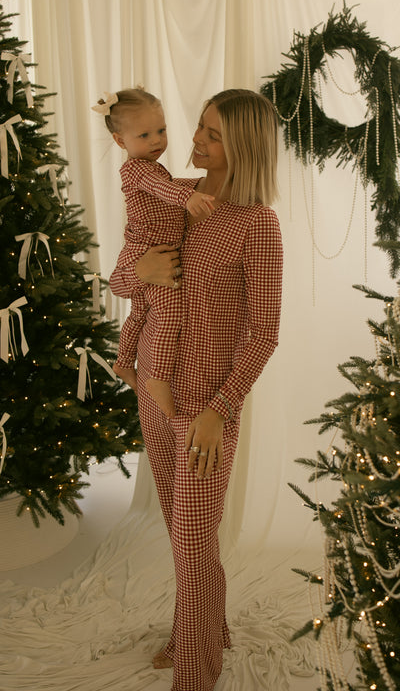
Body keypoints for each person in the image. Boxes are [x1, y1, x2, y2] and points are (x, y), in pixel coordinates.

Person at [109, 88, 283, 691]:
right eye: (200, 128)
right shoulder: (176, 196)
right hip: (151, 388)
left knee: (191, 535)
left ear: (243, 144)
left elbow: (263, 333)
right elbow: (122, 275)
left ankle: (195, 668)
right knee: (187, 531)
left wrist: (219, 411)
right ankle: (205, 630)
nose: (194, 140)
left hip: (204, 407)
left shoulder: (257, 223)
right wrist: (139, 273)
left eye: (210, 133)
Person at [93, 88, 214, 417]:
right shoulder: (136, 169)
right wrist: (187, 197)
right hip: (147, 249)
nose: (157, 140)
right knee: (170, 313)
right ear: (121, 141)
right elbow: (163, 188)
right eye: (144, 134)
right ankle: (157, 377)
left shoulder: (152, 168)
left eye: (161, 131)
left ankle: (122, 363)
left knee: (141, 313)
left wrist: (198, 188)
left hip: (147, 249)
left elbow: (168, 184)